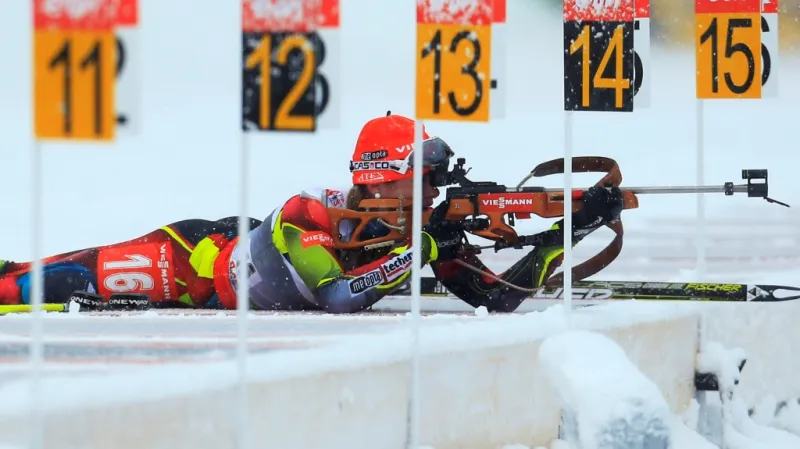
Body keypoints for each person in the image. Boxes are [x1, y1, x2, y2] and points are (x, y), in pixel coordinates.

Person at [0, 112, 624, 313]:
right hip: (188, 267)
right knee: (48, 280)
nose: (433, 193)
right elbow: (335, 295)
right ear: (387, 179)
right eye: (423, 179)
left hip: (225, 267)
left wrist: (573, 229)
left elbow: (498, 295)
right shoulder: (307, 213)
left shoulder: (425, 230)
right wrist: (423, 250)